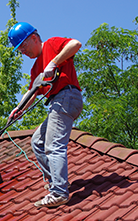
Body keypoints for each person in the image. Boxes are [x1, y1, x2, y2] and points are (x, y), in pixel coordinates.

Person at [7, 22, 83, 208]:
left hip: (67, 96)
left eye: (23, 46)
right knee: (37, 142)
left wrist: (54, 62)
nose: (23, 52)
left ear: (34, 37)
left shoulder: (51, 44)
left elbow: (76, 44)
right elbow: (33, 91)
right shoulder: (35, 69)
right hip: (58, 102)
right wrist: (19, 109)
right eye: (20, 50)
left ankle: (59, 192)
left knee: (53, 144)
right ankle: (55, 183)